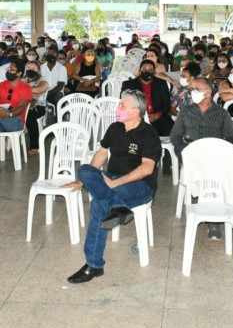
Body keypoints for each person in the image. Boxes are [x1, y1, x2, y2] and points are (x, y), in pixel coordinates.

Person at [63, 90, 160, 284]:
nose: (118, 108)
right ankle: (118, 207)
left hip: (139, 185)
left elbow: (147, 168)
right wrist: (84, 181)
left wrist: (115, 183)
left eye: (122, 105)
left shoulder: (148, 133)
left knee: (99, 205)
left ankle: (94, 265)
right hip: (111, 178)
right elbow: (101, 155)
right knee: (84, 170)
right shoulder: (115, 128)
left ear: (136, 110)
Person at [169, 77, 233, 240]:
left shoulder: (221, 113)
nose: (191, 93)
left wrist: (219, 149)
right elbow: (175, 135)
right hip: (190, 151)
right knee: (196, 160)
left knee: (212, 167)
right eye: (191, 89)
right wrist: (186, 149)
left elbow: (232, 138)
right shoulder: (186, 111)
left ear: (207, 93)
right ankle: (210, 214)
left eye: (196, 89)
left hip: (214, 154)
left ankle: (212, 219)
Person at [122, 59, 173, 136]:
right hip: (136, 117)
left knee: (172, 131)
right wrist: (141, 116)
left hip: (158, 117)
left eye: (150, 70)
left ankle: (164, 148)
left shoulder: (162, 84)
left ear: (154, 72)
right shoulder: (128, 85)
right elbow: (125, 104)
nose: (147, 72)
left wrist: (157, 115)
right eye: (144, 69)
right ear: (139, 71)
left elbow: (167, 104)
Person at [24, 60, 48, 156]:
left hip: (37, 106)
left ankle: (35, 145)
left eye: (33, 69)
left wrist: (21, 89)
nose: (31, 70)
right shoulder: (22, 79)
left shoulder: (42, 80)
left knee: (30, 114)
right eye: (29, 68)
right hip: (22, 105)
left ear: (38, 71)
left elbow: (40, 89)